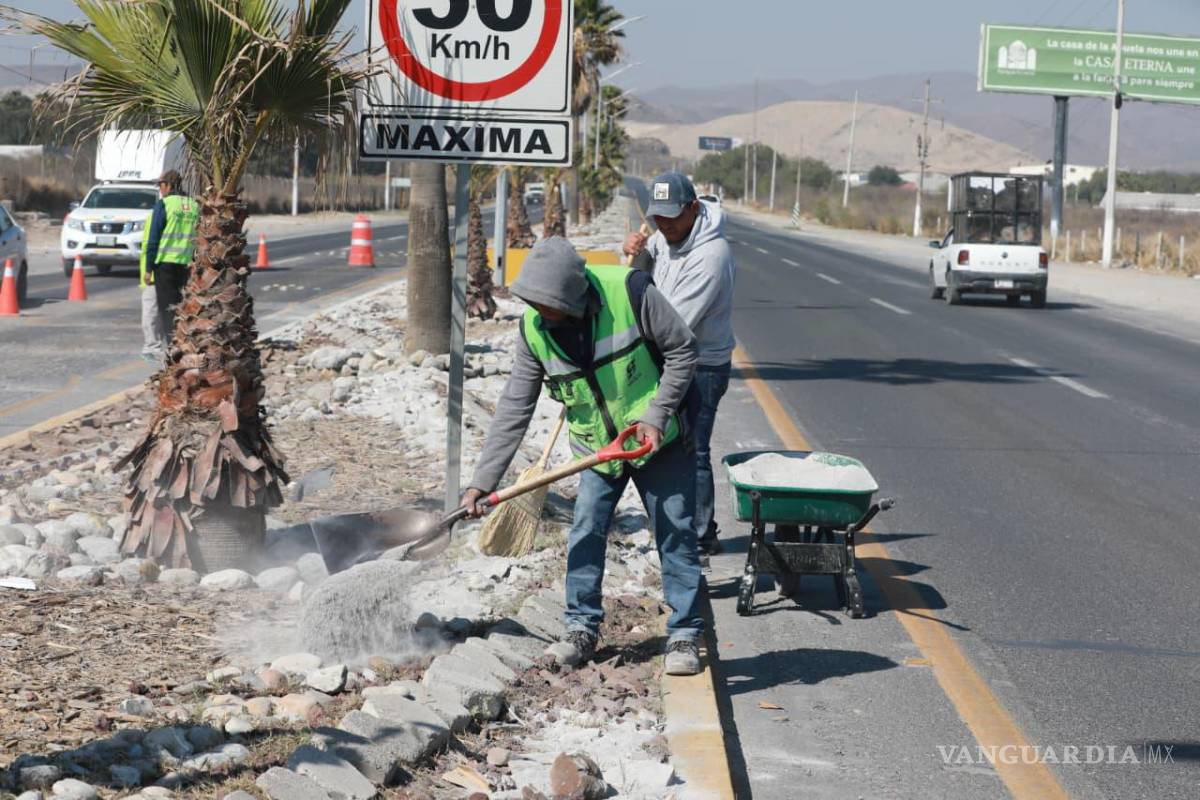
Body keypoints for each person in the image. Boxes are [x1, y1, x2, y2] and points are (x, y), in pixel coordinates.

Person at [461, 237, 705, 676]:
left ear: (577, 296)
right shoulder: (534, 329)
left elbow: (683, 349)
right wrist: (483, 480)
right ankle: (580, 628)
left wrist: (656, 414)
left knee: (674, 531)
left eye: (550, 306)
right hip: (597, 450)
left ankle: (685, 632)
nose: (542, 314)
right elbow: (516, 406)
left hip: (657, 439)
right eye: (535, 304)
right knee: (586, 530)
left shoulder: (630, 293)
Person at [622, 172, 736, 556]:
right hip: (670, 358)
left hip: (702, 366)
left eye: (672, 216)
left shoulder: (711, 256)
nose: (664, 224)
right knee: (675, 448)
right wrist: (637, 251)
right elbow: (641, 269)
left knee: (695, 449)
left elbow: (675, 324)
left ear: (693, 208)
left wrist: (628, 335)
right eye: (657, 217)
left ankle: (701, 538)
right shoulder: (663, 235)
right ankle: (686, 529)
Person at [142, 169, 200, 337]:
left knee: (167, 309)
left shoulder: (165, 204)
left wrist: (148, 268)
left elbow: (154, 238)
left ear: (168, 185)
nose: (160, 189)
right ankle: (185, 341)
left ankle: (173, 345)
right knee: (184, 306)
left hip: (165, 265)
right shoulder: (194, 205)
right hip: (186, 265)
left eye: (161, 185)